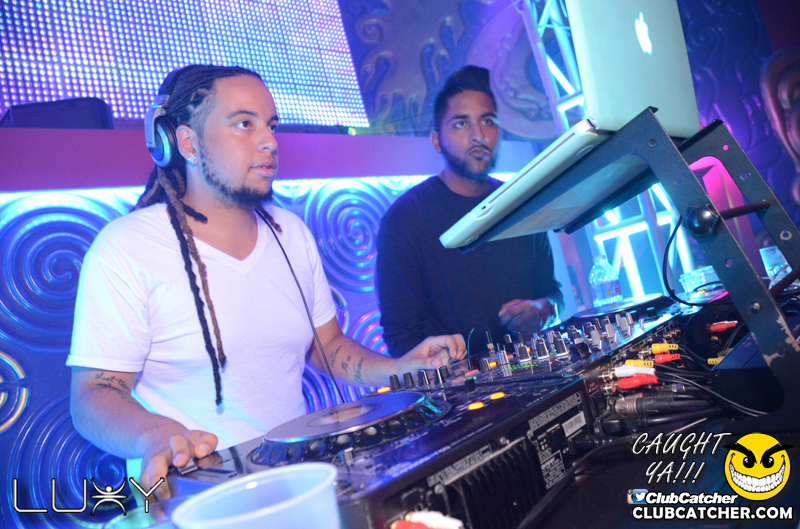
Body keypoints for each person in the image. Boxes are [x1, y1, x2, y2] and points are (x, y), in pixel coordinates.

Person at [67, 65, 465, 500]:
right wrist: (154, 434)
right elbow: (92, 395)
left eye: (271, 126)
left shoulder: (290, 231)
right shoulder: (126, 247)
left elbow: (327, 346)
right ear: (187, 143)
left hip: (301, 484)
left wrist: (400, 368)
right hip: (196, 499)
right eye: (244, 124)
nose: (269, 141)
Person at [376, 65, 564, 358]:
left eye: (487, 121)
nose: (479, 135)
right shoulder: (405, 219)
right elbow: (400, 335)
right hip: (459, 384)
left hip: (537, 368)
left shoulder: (520, 202)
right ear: (436, 140)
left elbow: (553, 294)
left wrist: (543, 310)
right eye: (461, 124)